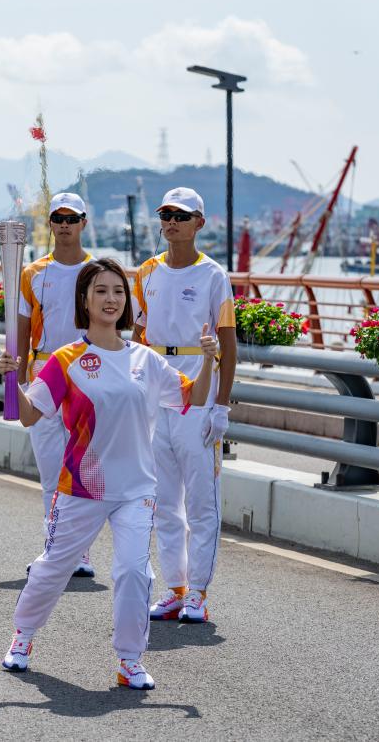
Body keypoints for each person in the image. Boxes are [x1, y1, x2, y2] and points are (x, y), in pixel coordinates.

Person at [0, 258, 217, 689]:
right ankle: (22, 635)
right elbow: (27, 416)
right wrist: (10, 380)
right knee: (54, 567)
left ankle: (129, 659)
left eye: (118, 290)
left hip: (136, 489)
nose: (111, 299)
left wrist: (208, 360)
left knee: (135, 572)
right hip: (81, 488)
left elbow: (192, 396)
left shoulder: (146, 360)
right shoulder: (66, 360)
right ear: (84, 300)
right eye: (101, 291)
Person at [132, 188, 237, 624]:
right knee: (162, 501)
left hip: (198, 392)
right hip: (157, 396)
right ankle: (174, 588)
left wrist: (222, 406)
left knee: (201, 502)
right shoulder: (147, 273)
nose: (171, 221)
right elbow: (134, 336)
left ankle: (198, 591)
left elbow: (228, 347)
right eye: (165, 214)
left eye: (181, 215)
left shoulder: (213, 276)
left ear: (199, 223)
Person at [18, 192, 95, 577]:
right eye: (57, 219)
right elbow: (19, 330)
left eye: (71, 218)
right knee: (51, 470)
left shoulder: (98, 272)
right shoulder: (33, 273)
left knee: (81, 468)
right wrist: (15, 381)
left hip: (88, 372)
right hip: (46, 372)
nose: (64, 225)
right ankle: (54, 546)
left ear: (83, 222)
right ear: (50, 224)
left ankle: (79, 551)